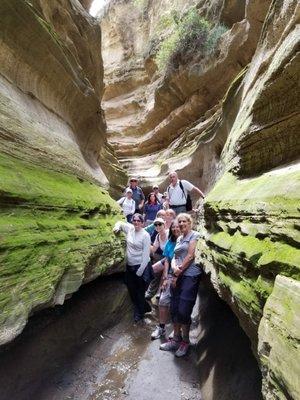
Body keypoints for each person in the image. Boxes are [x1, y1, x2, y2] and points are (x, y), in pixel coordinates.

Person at [160, 213, 201, 357]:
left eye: (184, 221)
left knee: (184, 309)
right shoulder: (179, 238)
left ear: (190, 223)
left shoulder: (194, 235)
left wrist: (178, 272)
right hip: (177, 276)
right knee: (175, 307)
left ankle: (185, 341)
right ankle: (175, 339)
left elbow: (190, 256)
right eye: (180, 222)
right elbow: (174, 257)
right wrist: (174, 268)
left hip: (190, 276)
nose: (182, 224)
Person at [113, 213, 151, 323]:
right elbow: (120, 222)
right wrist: (117, 227)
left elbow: (145, 256)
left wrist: (139, 272)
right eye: (134, 220)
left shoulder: (145, 235)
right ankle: (145, 306)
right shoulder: (130, 229)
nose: (136, 222)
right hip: (130, 266)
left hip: (142, 267)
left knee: (139, 291)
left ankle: (139, 313)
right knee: (131, 288)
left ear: (142, 223)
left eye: (139, 221)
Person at [151, 221, 181, 340]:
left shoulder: (187, 240)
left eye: (177, 227)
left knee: (178, 303)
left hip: (183, 275)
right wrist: (165, 278)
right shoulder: (170, 242)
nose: (175, 229)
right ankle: (161, 328)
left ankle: (177, 330)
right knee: (163, 301)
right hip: (170, 275)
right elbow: (167, 260)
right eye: (173, 227)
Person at [145, 217, 169, 300]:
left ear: (164, 225)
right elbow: (153, 250)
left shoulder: (169, 233)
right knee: (153, 270)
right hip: (165, 258)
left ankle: (160, 292)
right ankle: (152, 292)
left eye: (160, 224)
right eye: (156, 225)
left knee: (164, 273)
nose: (158, 226)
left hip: (173, 257)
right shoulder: (158, 236)